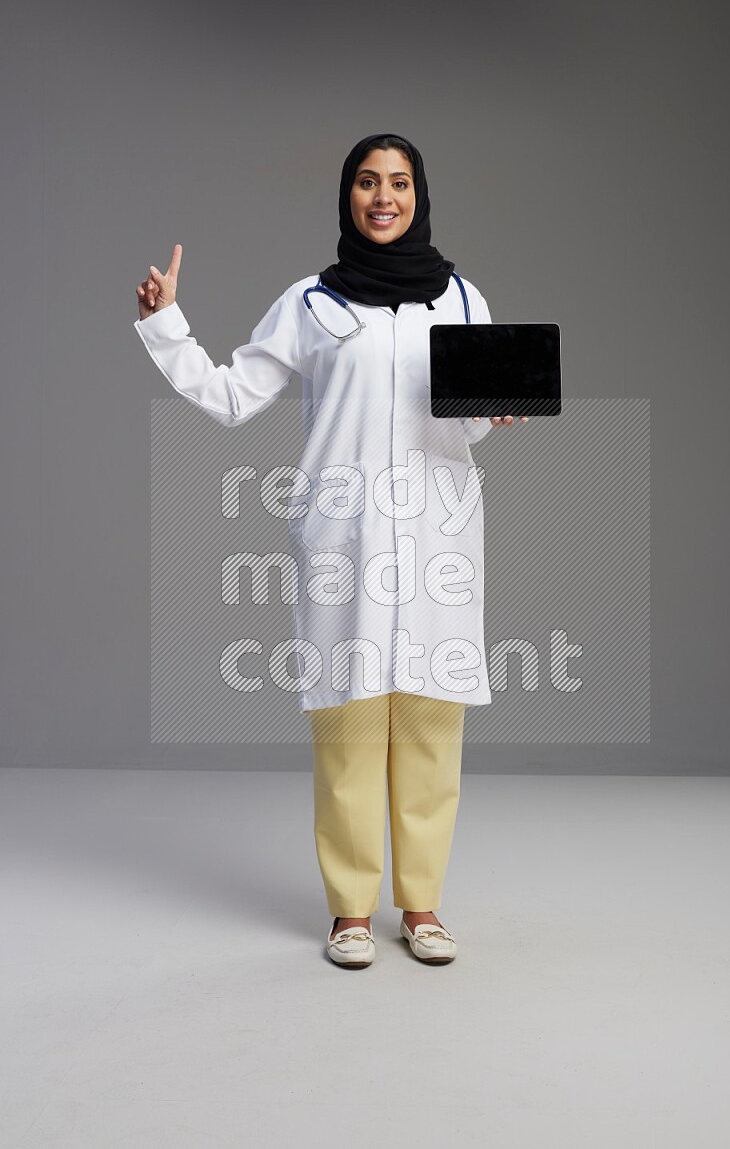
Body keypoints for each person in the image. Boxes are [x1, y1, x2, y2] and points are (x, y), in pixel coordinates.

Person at [134, 133, 528, 969]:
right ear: (347, 196)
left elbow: (457, 423)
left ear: (420, 195)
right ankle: (351, 910)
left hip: (435, 538)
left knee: (428, 719)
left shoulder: (461, 300)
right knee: (347, 724)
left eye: (399, 182)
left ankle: (420, 904)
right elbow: (237, 396)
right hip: (342, 537)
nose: (383, 196)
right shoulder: (310, 303)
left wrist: (493, 412)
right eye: (366, 182)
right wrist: (167, 325)